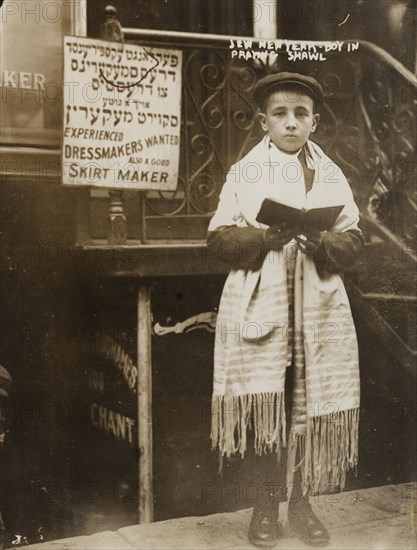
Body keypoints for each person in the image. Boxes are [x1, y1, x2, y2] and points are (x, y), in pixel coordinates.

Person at [207, 72, 363, 548]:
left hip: (315, 305)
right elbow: (218, 237)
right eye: (280, 114)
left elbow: (354, 237)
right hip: (264, 301)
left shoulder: (331, 174)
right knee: (268, 406)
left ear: (314, 122)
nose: (290, 123)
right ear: (263, 122)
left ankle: (303, 503)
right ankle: (265, 507)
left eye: (300, 114)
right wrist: (263, 237)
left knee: (307, 404)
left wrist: (324, 241)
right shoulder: (245, 172)